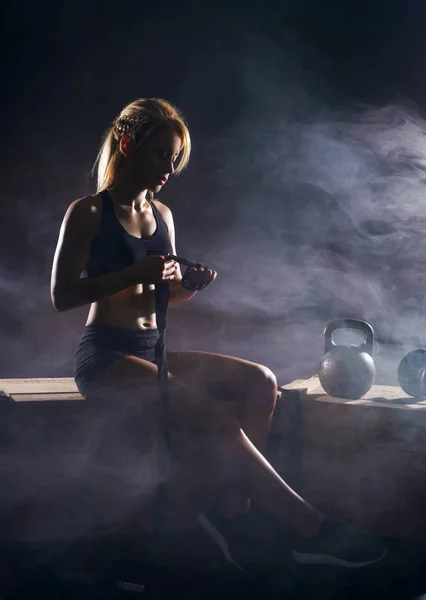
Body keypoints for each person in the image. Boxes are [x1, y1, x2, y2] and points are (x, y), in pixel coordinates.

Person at [50, 97, 386, 570]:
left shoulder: (163, 215)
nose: (169, 169)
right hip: (106, 356)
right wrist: (135, 273)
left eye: (174, 159)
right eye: (161, 156)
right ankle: (309, 525)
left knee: (261, 381)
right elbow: (63, 296)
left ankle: (235, 515)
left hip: (154, 350)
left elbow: (160, 298)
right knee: (213, 417)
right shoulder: (87, 212)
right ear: (127, 145)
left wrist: (188, 286)